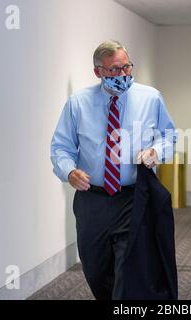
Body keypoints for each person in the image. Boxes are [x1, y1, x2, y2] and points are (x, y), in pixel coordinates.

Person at [50, 40, 177, 299]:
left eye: (126, 68)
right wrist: (69, 172)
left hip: (132, 196)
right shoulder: (78, 103)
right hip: (92, 198)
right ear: (98, 72)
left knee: (128, 269)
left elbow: (169, 136)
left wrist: (156, 152)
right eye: (113, 70)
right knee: (96, 268)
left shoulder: (150, 98)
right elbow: (61, 147)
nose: (122, 75)